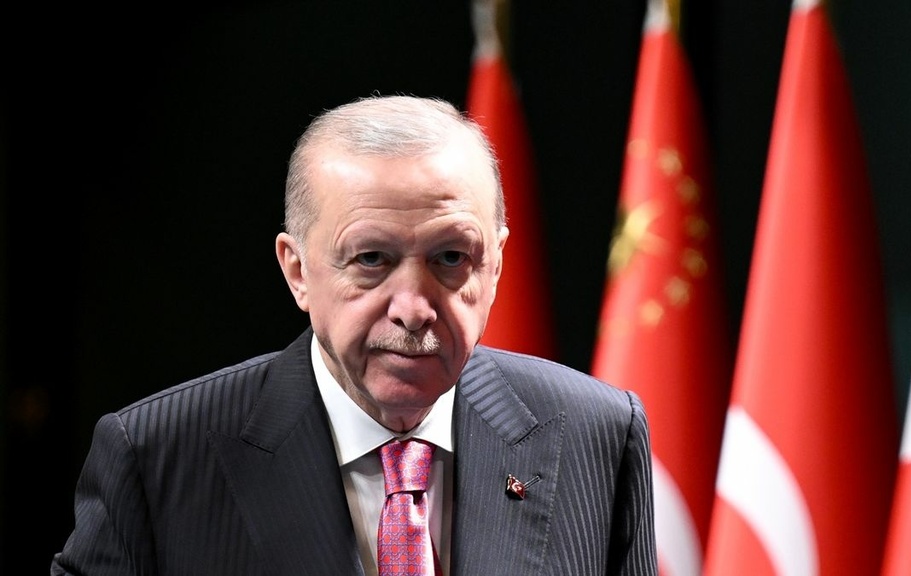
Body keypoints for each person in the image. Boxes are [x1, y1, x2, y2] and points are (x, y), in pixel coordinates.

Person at [51, 94, 657, 575]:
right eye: (371, 259)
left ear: (495, 265)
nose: (414, 309)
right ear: (297, 271)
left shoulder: (597, 435)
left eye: (451, 258)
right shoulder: (156, 459)